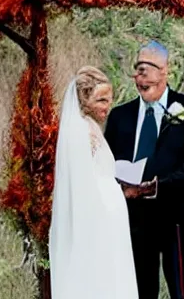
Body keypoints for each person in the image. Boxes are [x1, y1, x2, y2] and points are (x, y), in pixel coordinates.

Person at [105, 41, 184, 299]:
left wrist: (157, 185)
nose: (142, 76)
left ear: (166, 70)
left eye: (149, 68)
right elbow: (106, 164)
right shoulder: (120, 116)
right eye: (138, 69)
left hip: (174, 214)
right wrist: (122, 188)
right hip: (134, 218)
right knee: (140, 291)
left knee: (181, 290)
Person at [49, 66, 139, 299]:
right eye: (100, 100)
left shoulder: (90, 128)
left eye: (109, 100)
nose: (106, 106)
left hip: (110, 219)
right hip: (100, 222)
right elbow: (81, 184)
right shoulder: (81, 132)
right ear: (84, 99)